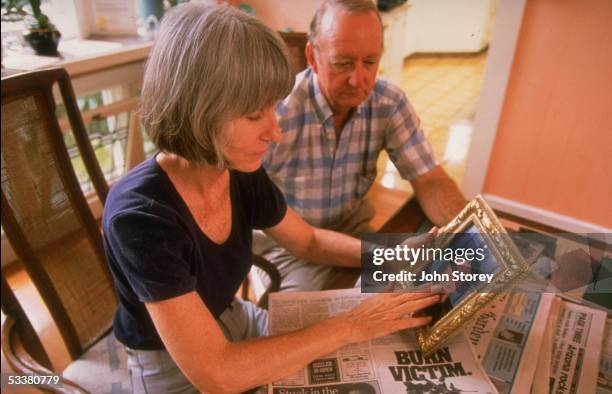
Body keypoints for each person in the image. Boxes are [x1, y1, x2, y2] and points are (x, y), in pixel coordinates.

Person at [102, 3, 440, 393]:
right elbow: (218, 373)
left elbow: (309, 241)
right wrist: (351, 325)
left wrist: (394, 255)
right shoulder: (141, 217)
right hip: (173, 367)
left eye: (273, 109)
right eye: (253, 115)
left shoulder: (235, 170)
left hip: (234, 319)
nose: (274, 132)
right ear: (199, 111)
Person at [256, 0, 466, 292]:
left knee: (420, 298)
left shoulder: (389, 103)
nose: (359, 80)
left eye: (370, 62)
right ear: (312, 58)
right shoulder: (275, 113)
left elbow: (431, 179)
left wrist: (473, 238)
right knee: (310, 328)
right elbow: (302, 239)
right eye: (342, 63)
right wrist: (386, 256)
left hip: (353, 234)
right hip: (288, 248)